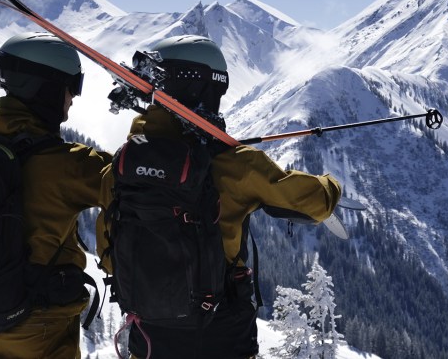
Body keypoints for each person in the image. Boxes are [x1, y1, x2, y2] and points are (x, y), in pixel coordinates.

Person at [102, 35, 342, 359]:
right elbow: (314, 202)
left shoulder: (121, 168)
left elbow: (110, 246)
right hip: (221, 333)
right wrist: (332, 185)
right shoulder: (235, 165)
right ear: (206, 90)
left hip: (150, 337)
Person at [0, 32, 113, 358]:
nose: (73, 98)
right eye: (71, 87)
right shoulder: (68, 163)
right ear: (48, 89)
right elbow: (130, 184)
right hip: (38, 330)